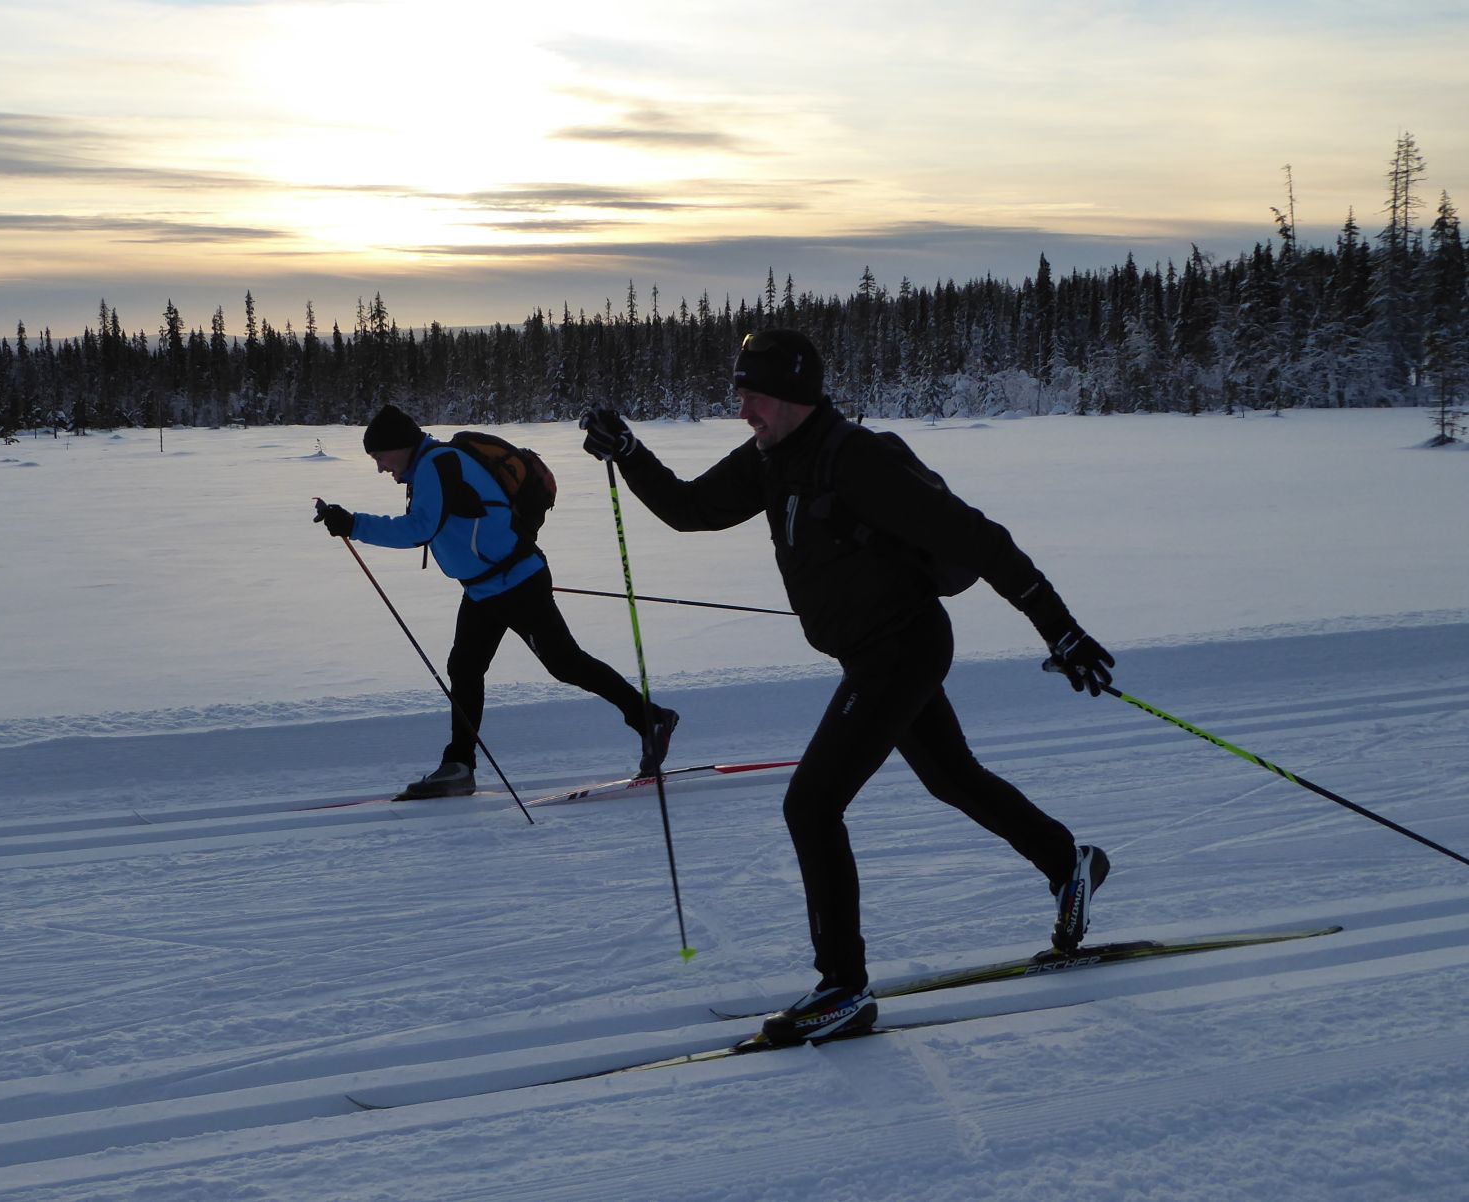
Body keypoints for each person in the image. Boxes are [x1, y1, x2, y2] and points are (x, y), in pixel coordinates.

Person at [580, 329, 1114, 1046]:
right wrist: (632, 455)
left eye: (756, 397)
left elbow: (982, 541)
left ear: (796, 398)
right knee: (953, 778)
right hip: (871, 654)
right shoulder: (771, 457)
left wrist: (1062, 629)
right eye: (740, 395)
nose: (745, 412)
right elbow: (691, 509)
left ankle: (843, 989)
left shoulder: (858, 461)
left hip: (902, 650)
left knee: (812, 803)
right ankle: (1067, 861)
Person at [316, 403, 678, 798]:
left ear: (400, 446)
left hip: (518, 582)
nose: (381, 467)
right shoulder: (430, 469)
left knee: (565, 663)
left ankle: (651, 720)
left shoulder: (439, 464)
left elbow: (419, 529)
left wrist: (354, 524)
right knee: (465, 668)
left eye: (381, 457)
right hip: (484, 589)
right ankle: (458, 766)